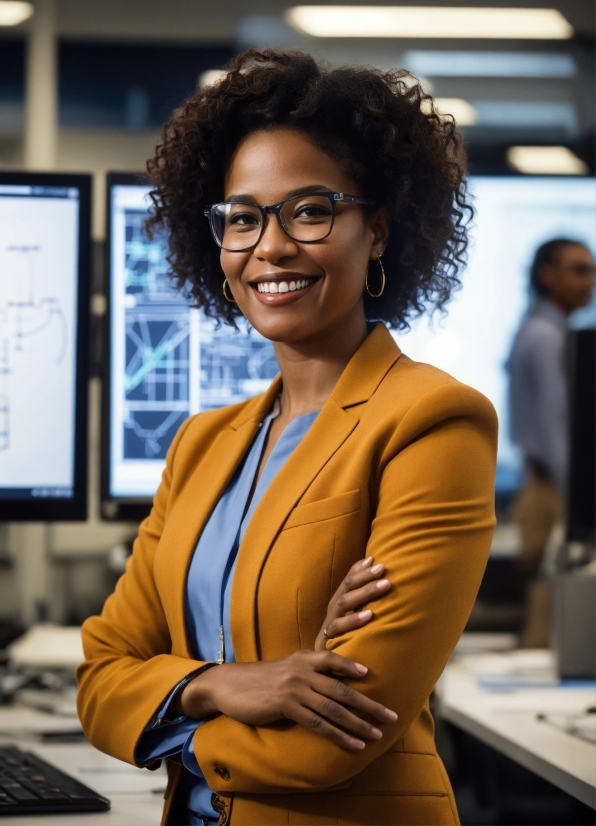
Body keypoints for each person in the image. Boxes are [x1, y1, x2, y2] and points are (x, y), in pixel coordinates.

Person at [77, 50, 497, 826]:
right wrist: (221, 684)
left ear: (377, 230)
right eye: (242, 217)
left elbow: (333, 740)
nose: (269, 246)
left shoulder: (432, 422)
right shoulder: (204, 444)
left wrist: (168, 717)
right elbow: (99, 677)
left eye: (309, 210)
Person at [507, 238, 595, 645]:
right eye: (579, 270)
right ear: (547, 275)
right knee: (550, 604)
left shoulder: (546, 329)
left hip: (547, 486)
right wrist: (582, 500)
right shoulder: (546, 336)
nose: (589, 281)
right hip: (553, 491)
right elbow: (557, 426)